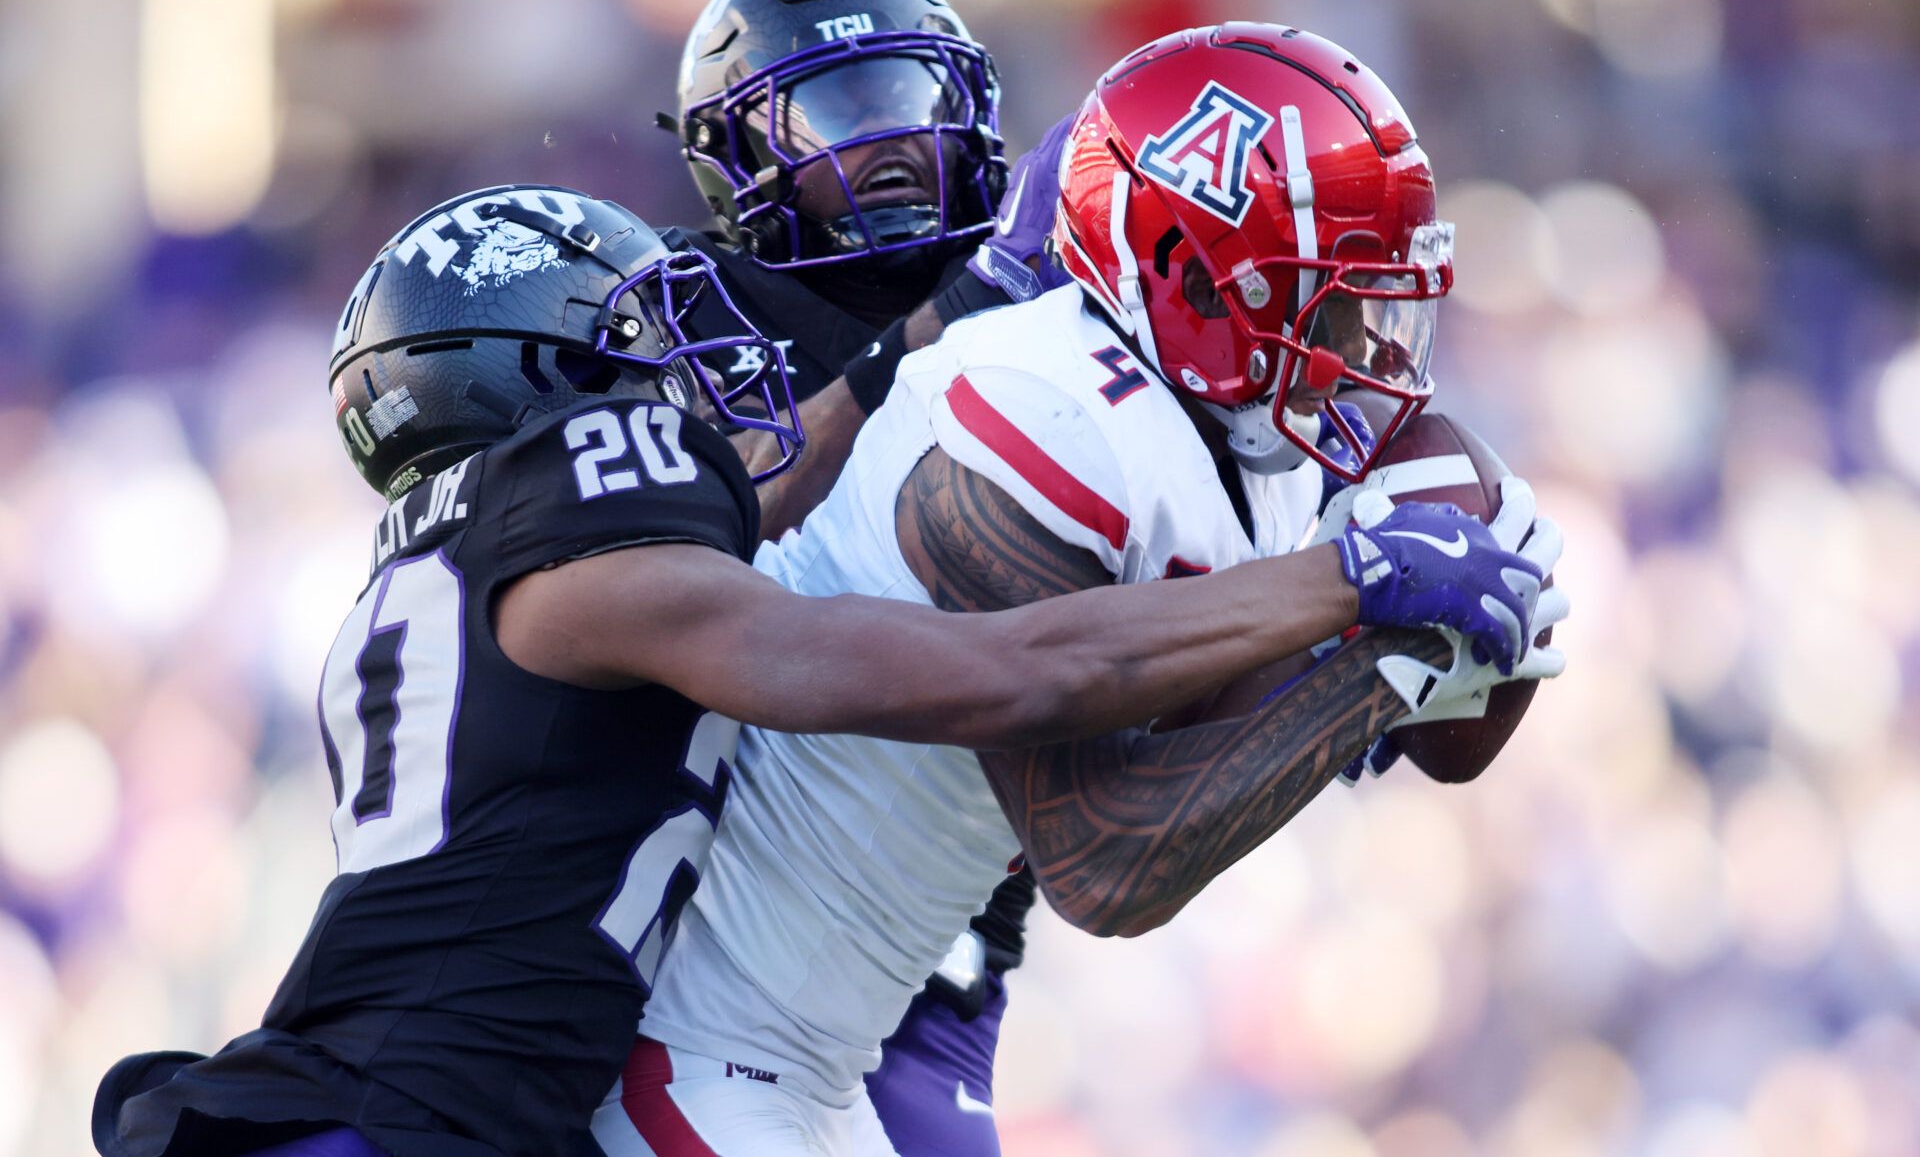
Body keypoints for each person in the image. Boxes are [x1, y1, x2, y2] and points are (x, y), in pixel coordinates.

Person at [92, 184, 1537, 1157]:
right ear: (545, 391)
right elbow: (1004, 680)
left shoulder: (495, 558)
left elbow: (760, 493)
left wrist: (946, 312)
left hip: (416, 1098)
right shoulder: (592, 561)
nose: (700, 358)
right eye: (642, 333)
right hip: (422, 1120)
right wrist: (1332, 583)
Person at [599, 25, 1567, 1156]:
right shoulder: (1030, 415)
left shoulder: (1238, 432)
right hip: (704, 1044)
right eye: (1333, 300)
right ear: (1199, 283)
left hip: (820, 1058)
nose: (1370, 344)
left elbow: (1264, 731)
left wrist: (1462, 655)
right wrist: (1387, 654)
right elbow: (1106, 861)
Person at [659, 0, 1074, 1157]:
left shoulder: (1047, 302)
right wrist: (935, 332)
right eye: (838, 109)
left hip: (941, 930)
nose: (888, 142)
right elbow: (709, 524)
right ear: (739, 157)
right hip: (729, 916)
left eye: (913, 100)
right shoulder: (681, 319)